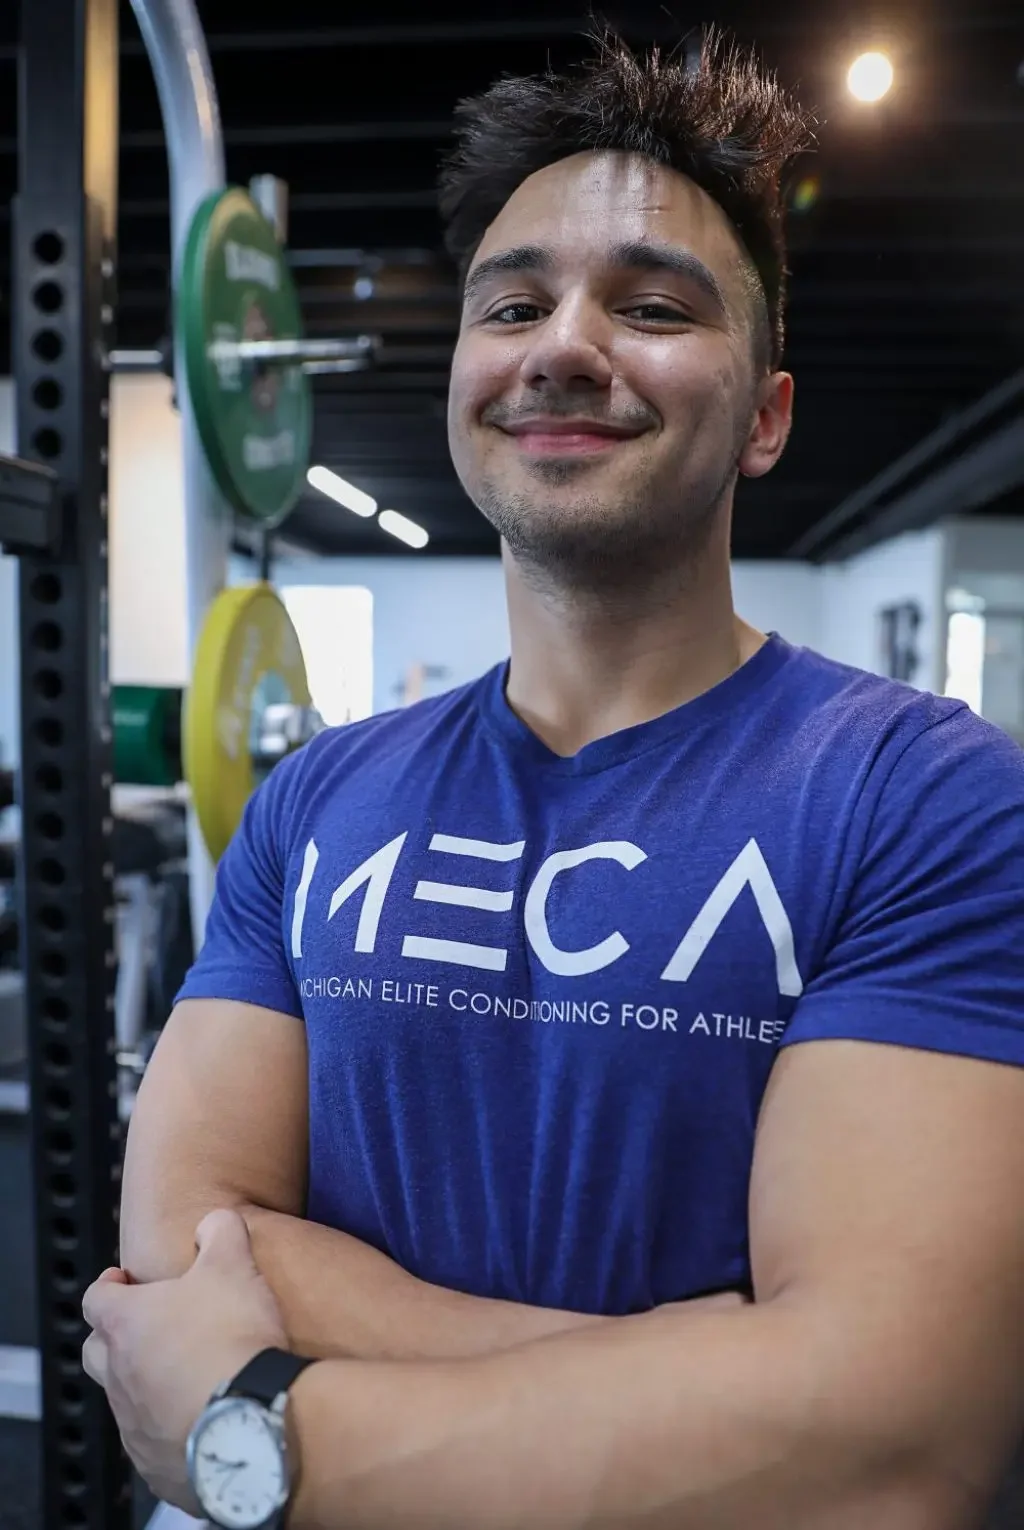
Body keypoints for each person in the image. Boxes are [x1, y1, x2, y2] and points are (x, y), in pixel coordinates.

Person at [84, 26, 1024, 1530]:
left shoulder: (929, 801)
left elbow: (893, 1454)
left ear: (767, 416)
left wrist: (263, 1425)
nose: (564, 344)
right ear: (465, 373)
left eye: (653, 304)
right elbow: (191, 1256)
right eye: (512, 302)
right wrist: (722, 1377)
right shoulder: (315, 800)